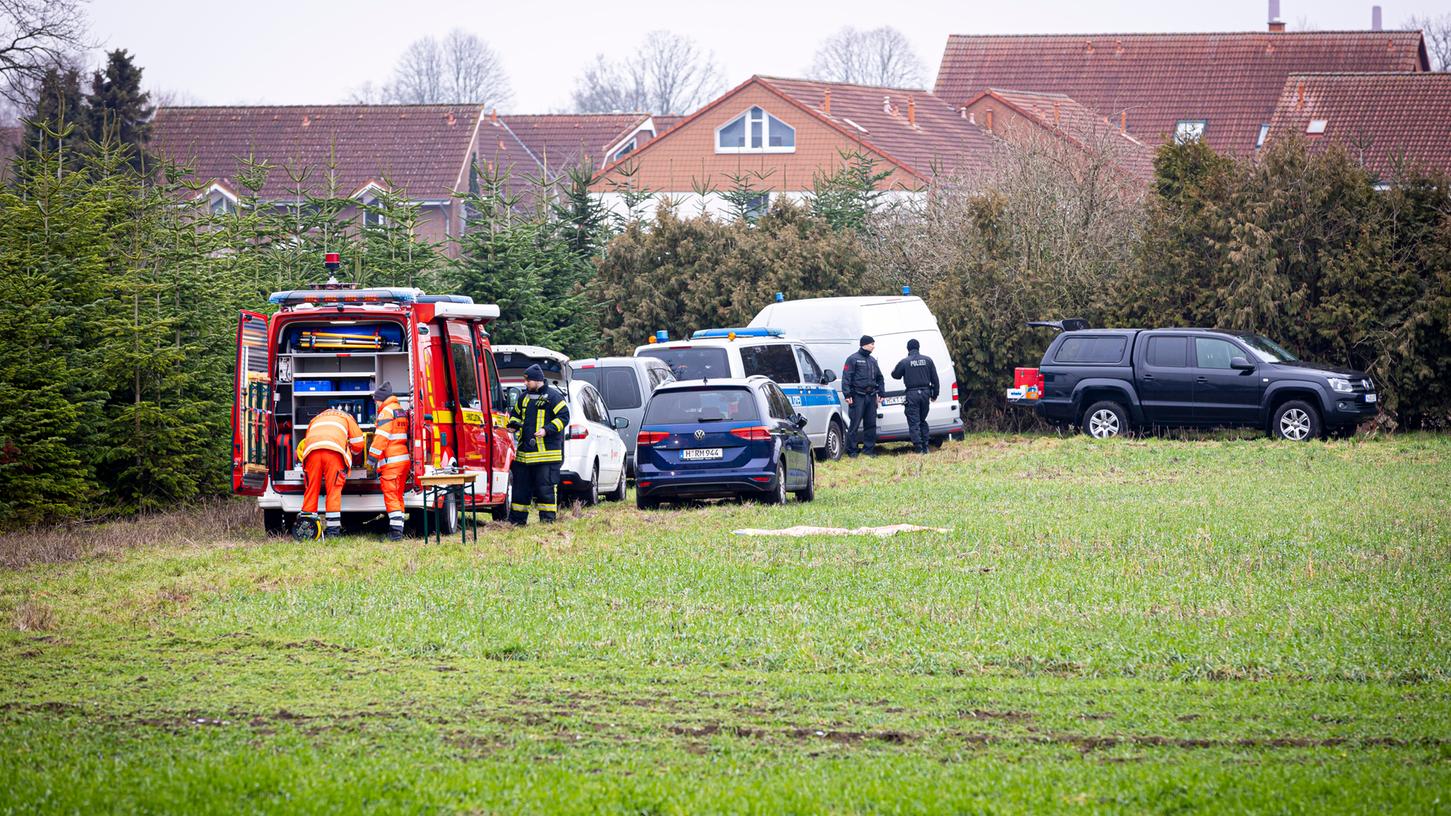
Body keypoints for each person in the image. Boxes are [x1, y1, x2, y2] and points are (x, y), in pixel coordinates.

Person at [506, 364, 570, 525]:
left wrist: (546, 430)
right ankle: (517, 522)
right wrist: (513, 425)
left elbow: (564, 417)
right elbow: (515, 415)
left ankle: (547, 521)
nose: (525, 384)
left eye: (527, 381)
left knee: (545, 489)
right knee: (520, 490)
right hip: (524, 456)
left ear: (537, 380)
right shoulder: (524, 397)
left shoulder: (554, 397)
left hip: (546, 455)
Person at [297, 406, 366, 539]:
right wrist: (353, 455)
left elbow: (307, 439)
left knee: (311, 489)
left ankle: (307, 529)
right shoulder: (347, 418)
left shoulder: (317, 418)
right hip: (333, 454)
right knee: (333, 490)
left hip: (312, 452)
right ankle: (333, 532)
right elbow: (358, 444)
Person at [366, 381, 409, 540]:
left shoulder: (386, 412)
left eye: (376, 400)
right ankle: (399, 528)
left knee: (391, 496)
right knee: (398, 496)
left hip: (391, 463)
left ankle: (395, 534)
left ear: (381, 399)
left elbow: (381, 439)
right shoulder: (399, 410)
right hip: (402, 461)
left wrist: (371, 460)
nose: (376, 404)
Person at [891, 338, 940, 454]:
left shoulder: (905, 362)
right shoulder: (928, 360)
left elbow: (895, 375)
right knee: (922, 420)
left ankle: (919, 448)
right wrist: (935, 394)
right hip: (925, 393)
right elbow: (935, 379)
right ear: (918, 347)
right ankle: (926, 446)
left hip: (912, 394)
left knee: (914, 422)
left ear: (908, 349)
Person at [841, 335, 884, 457]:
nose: (873, 347)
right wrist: (847, 394)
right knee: (854, 424)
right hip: (857, 396)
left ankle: (868, 450)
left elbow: (880, 378)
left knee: (871, 424)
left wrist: (881, 392)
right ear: (864, 345)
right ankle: (852, 451)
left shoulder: (872, 361)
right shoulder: (852, 359)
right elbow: (846, 378)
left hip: (871, 396)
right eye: (872, 344)